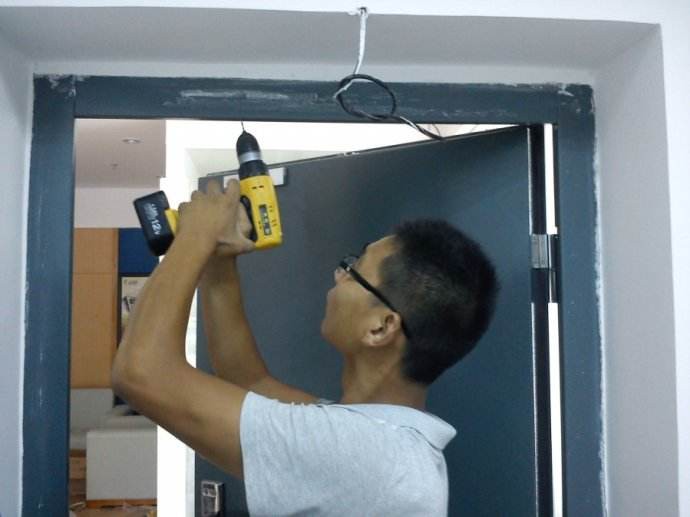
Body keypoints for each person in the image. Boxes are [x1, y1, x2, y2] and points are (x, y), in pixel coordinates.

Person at [112, 178, 499, 516]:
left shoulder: (364, 453)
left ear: (381, 327)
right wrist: (218, 259)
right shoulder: (383, 442)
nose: (339, 275)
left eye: (354, 272)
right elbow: (248, 381)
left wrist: (195, 237)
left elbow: (141, 374)